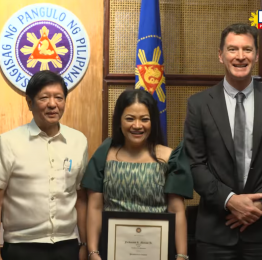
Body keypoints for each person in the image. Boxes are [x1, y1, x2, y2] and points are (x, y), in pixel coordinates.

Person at [184, 23, 262, 260]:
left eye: (247, 49)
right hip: (215, 232)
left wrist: (259, 205)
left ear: (256, 55)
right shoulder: (198, 105)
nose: (240, 56)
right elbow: (195, 164)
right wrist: (230, 200)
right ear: (220, 55)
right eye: (232, 49)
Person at [0, 70, 88, 260]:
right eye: (44, 98)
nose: (52, 104)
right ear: (30, 103)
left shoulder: (78, 141)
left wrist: (84, 244)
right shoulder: (8, 142)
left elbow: (80, 198)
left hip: (67, 245)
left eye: (59, 98)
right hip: (21, 247)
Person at [82, 89, 193, 260]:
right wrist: (93, 251)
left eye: (144, 119)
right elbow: (95, 207)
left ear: (153, 122)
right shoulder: (104, 156)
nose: (137, 125)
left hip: (158, 252)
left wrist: (182, 255)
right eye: (130, 118)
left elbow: (176, 210)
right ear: (119, 121)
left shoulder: (169, 158)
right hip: (112, 251)